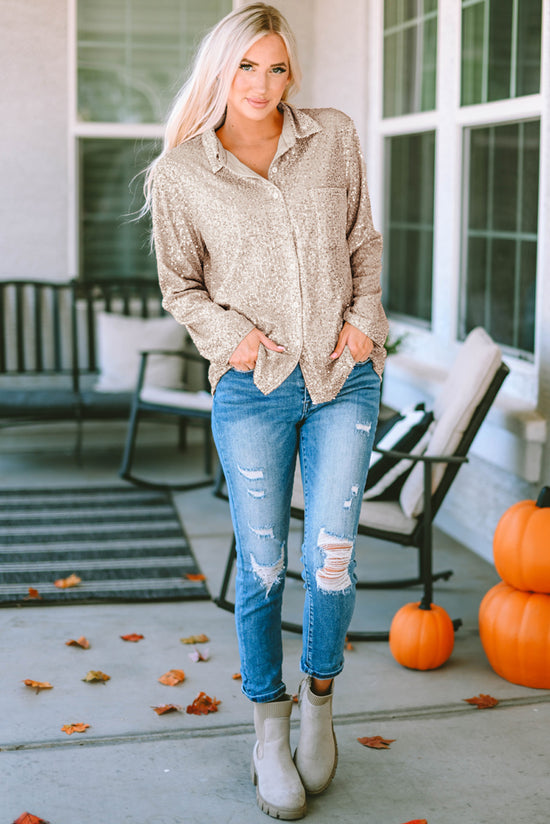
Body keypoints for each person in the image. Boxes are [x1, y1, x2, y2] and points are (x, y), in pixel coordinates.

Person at [145, 4, 388, 819]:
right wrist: (234, 340)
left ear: (292, 73)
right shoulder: (181, 173)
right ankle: (266, 723)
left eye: (276, 67)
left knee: (331, 555)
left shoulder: (332, 138)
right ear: (221, 70)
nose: (262, 84)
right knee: (262, 565)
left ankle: (319, 699)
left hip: (342, 377)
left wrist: (364, 324)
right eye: (247, 67)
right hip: (253, 385)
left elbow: (364, 242)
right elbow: (181, 286)